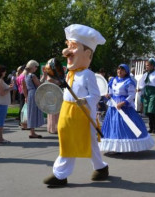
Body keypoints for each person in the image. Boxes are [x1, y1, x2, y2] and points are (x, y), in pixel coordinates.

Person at [43, 24, 109, 186]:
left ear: (87, 54)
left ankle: (62, 174)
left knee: (87, 141)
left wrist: (84, 100)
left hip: (83, 113)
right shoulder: (70, 73)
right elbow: (67, 90)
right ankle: (97, 168)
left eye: (73, 48)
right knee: (68, 139)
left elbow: (95, 94)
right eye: (68, 47)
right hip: (67, 110)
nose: (66, 53)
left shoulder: (88, 74)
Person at [99, 64, 155, 152]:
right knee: (113, 125)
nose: (119, 71)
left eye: (122, 70)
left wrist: (123, 102)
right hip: (113, 106)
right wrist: (107, 95)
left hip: (124, 107)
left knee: (124, 126)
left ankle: (124, 147)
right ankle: (114, 148)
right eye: (118, 69)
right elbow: (110, 92)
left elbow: (132, 94)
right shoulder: (113, 80)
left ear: (126, 72)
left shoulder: (129, 81)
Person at [138, 58, 155, 133]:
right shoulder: (145, 74)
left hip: (153, 94)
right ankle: (151, 127)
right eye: (146, 65)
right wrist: (140, 89)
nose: (146, 67)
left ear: (152, 66)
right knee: (147, 111)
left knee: (152, 110)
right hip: (147, 93)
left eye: (148, 65)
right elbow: (142, 84)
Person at [0, 65, 14, 143]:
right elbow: (2, 93)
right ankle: (0, 138)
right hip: (2, 103)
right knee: (0, 121)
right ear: (2, 72)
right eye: (4, 71)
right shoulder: (0, 81)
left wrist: (8, 87)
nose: (5, 73)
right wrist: (10, 89)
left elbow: (0, 91)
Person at [23, 60, 44, 138]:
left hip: (30, 93)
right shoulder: (32, 76)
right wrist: (44, 76)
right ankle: (32, 132)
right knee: (34, 112)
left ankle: (32, 131)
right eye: (35, 67)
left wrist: (26, 97)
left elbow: (24, 88)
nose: (36, 68)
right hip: (35, 93)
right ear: (32, 67)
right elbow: (39, 85)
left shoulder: (25, 76)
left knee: (31, 112)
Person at [44, 58, 62, 134]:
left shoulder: (51, 76)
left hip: (53, 93)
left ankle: (52, 127)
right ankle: (53, 128)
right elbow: (55, 83)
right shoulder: (50, 76)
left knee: (54, 112)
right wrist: (59, 82)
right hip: (52, 94)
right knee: (53, 111)